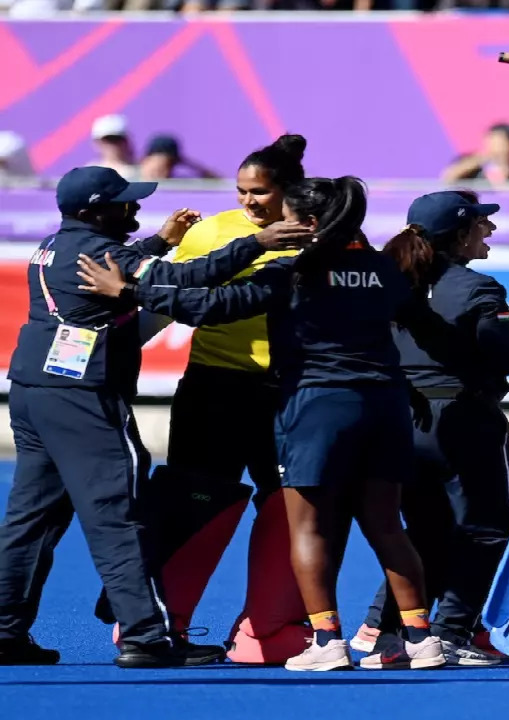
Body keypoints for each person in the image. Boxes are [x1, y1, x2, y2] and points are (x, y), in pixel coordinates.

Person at [76, 176, 450, 672]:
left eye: (289, 217)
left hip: (317, 407)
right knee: (387, 526)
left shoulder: (293, 271)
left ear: (310, 223)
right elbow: (427, 329)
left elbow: (210, 306)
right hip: (384, 407)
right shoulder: (385, 270)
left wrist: (127, 289)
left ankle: (327, 642)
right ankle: (422, 641)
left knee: (308, 527)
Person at [0, 166, 306, 668]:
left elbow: (125, 263)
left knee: (30, 520)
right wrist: (261, 243)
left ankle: (6, 629)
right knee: (121, 516)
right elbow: (186, 280)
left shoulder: (57, 244)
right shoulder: (99, 252)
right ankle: (147, 636)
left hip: (36, 391)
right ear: (94, 212)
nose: (135, 209)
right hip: (84, 399)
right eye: (124, 204)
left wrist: (158, 242)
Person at [119, 135, 312, 664]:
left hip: (291, 395)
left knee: (288, 507)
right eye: (242, 191)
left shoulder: (319, 235)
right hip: (214, 387)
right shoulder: (211, 231)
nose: (249, 202)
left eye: (261, 192)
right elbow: (168, 303)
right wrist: (115, 357)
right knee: (192, 502)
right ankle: (160, 626)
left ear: (288, 190)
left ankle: (265, 633)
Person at [351, 191, 509, 666]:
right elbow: (508, 353)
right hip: (464, 421)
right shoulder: (475, 287)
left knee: (423, 531)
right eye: (482, 224)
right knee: (487, 529)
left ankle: (383, 630)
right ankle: (449, 633)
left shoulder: (388, 280)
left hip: (401, 418)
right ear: (460, 233)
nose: (491, 231)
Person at [441, 124, 509, 185]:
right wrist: (481, 160)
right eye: (508, 139)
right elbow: (448, 178)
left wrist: (504, 167)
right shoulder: (469, 161)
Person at [89, 115, 137, 180]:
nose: (112, 145)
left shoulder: (144, 171)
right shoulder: (90, 174)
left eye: (116, 139)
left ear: (126, 141)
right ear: (97, 143)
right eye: (107, 140)